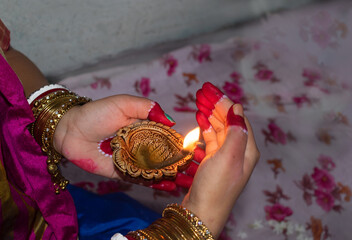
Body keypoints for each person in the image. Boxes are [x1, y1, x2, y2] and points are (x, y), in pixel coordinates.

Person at [0, 19, 259, 239]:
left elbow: (7, 60)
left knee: (134, 219)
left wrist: (59, 120)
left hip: (41, 204)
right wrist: (194, 223)